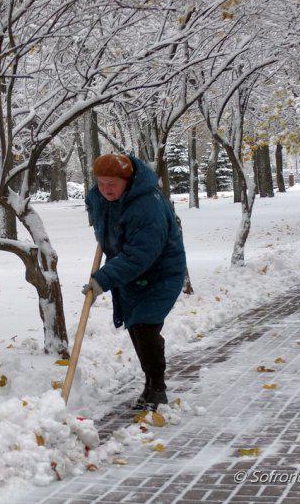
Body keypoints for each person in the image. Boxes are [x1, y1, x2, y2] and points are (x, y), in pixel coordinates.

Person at [83, 153, 187, 411]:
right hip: (130, 274)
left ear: (127, 181)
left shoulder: (147, 205)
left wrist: (102, 279)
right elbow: (105, 222)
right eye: (101, 183)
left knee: (144, 326)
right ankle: (151, 383)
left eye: (112, 184)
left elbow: (140, 254)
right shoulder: (97, 197)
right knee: (136, 327)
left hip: (160, 273)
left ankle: (157, 387)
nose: (106, 189)